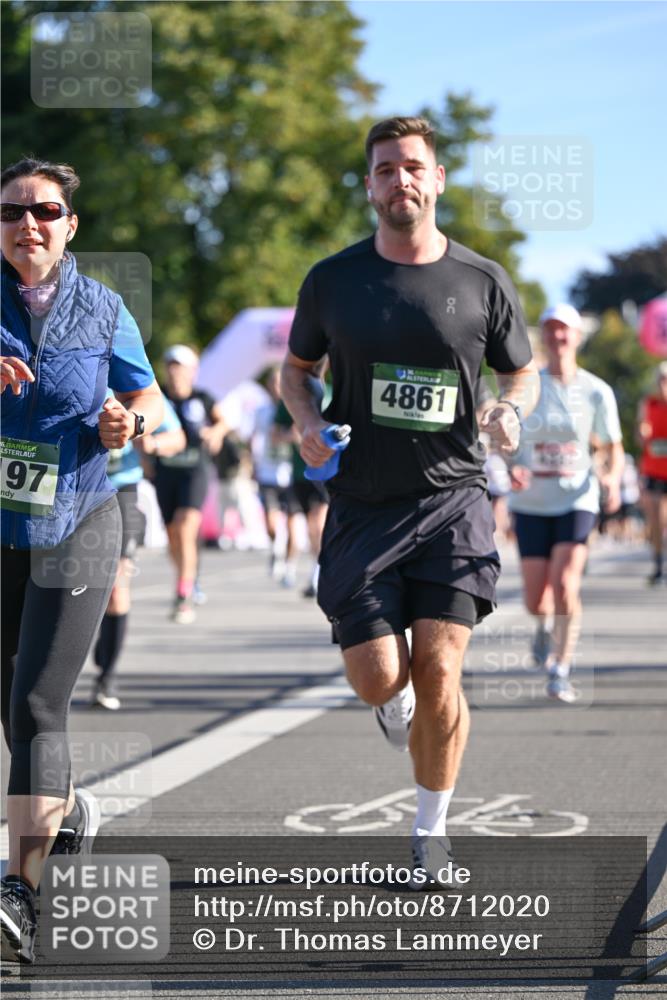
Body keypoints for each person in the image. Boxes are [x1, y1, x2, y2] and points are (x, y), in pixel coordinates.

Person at [280, 117, 538, 885]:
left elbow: (518, 372)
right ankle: (386, 704)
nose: (401, 181)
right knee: (377, 678)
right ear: (369, 186)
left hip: (453, 499)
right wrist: (305, 423)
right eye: (385, 169)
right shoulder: (334, 279)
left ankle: (430, 833)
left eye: (413, 167)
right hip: (361, 503)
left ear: (438, 179)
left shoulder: (481, 280)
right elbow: (296, 370)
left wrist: (507, 409)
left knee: (439, 670)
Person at [0, 157, 163, 963]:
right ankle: (68, 815)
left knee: (37, 705)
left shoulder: (103, 308)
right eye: (11, 212)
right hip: (2, 524)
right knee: (10, 701)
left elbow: (147, 398)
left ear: (71, 226)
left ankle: (20, 895)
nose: (26, 224)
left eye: (45, 211)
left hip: (82, 515)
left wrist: (125, 425)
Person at [508, 304, 623, 702]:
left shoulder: (596, 390)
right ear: (543, 336)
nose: (558, 337)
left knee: (565, 584)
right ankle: (542, 628)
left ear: (577, 337)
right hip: (531, 502)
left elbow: (611, 446)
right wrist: (510, 466)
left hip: (578, 497)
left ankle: (561, 666)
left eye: (565, 330)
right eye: (551, 330)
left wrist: (609, 475)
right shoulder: (527, 387)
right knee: (535, 598)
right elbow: (506, 439)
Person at [90, 393, 186, 709]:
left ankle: (106, 676)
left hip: (121, 489)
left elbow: (177, 437)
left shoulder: (132, 379)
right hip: (71, 487)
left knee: (117, 586)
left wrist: (153, 443)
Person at [154, 344, 227, 623]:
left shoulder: (203, 398)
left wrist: (216, 432)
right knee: (173, 534)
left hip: (194, 471)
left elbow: (223, 422)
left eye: (181, 366)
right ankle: (187, 577)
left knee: (185, 528)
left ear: (192, 371)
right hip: (165, 473)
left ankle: (183, 596)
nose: (175, 372)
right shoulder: (157, 396)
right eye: (171, 365)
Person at [250, 367, 300, 585]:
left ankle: (290, 566)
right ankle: (275, 549)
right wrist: (253, 464)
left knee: (293, 526)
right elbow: (256, 438)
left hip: (291, 474)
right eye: (274, 383)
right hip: (268, 472)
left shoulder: (297, 408)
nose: (277, 388)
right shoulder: (262, 411)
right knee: (271, 523)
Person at [637, 362, 667, 584]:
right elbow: (641, 435)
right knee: (655, 519)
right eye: (661, 379)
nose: (663, 384)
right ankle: (658, 563)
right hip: (653, 470)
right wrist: (642, 433)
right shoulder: (648, 403)